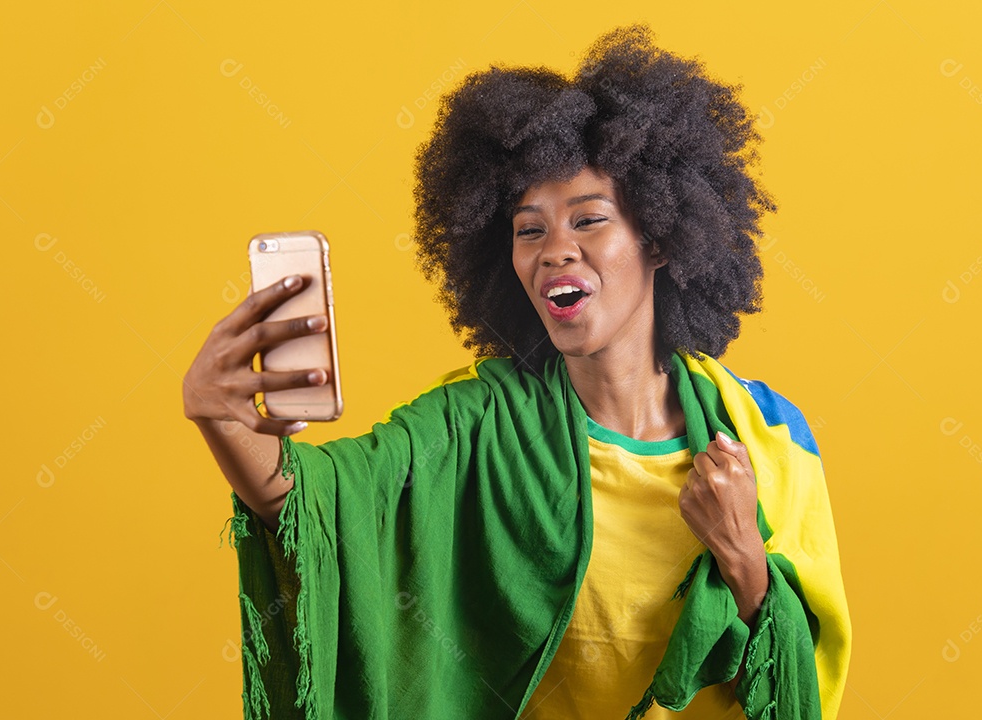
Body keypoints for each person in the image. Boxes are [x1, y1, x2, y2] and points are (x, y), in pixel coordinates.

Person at [183, 23, 851, 720]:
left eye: (589, 220)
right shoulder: (476, 423)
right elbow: (316, 508)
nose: (555, 250)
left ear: (658, 237)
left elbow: (800, 686)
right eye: (529, 230)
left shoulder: (770, 437)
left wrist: (743, 556)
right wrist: (219, 416)